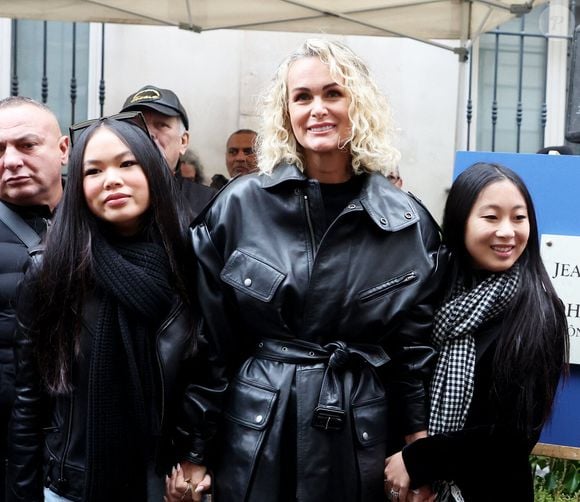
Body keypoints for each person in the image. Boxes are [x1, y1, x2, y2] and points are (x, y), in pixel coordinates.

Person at [168, 39, 445, 502]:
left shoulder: (409, 224)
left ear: (359, 102)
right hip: (257, 429)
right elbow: (209, 346)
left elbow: (412, 356)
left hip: (357, 431)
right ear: (286, 111)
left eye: (333, 93)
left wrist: (417, 450)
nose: (318, 109)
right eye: (303, 97)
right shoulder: (239, 206)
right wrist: (194, 450)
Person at [6, 114, 208, 501]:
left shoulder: (192, 263)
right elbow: (29, 401)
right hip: (72, 486)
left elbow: (207, 377)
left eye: (127, 163)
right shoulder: (51, 269)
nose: (111, 179)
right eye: (93, 171)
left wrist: (195, 460)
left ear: (152, 169)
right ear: (79, 188)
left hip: (165, 486)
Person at [384, 162, 569, 502]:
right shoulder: (428, 291)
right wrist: (409, 472)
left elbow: (514, 437)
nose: (507, 232)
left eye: (518, 217)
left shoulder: (539, 312)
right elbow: (398, 379)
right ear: (459, 221)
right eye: (490, 217)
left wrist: (418, 461)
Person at [0, 96, 68, 501]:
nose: (10, 160)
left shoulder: (105, 226)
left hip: (77, 450)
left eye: (26, 145)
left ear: (63, 150)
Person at [121, 85, 214, 218]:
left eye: (161, 125)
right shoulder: (108, 196)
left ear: (183, 142)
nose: (149, 134)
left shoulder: (208, 203)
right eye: (137, 126)